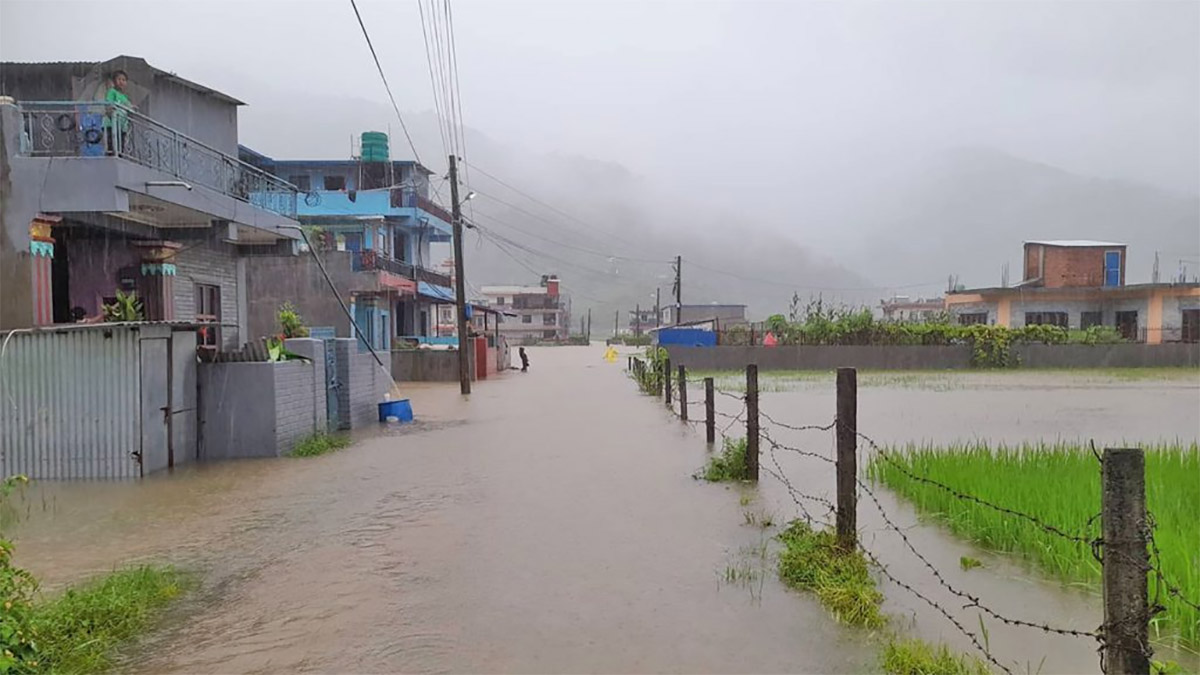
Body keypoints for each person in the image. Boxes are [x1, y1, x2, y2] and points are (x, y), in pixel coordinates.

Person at [104, 70, 134, 154]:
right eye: (119, 79)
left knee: (120, 147)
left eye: (124, 80)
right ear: (114, 81)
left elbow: (129, 108)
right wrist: (112, 117)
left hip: (122, 126)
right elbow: (108, 105)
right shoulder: (112, 92)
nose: (121, 82)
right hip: (111, 124)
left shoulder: (125, 97)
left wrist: (132, 108)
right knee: (112, 147)